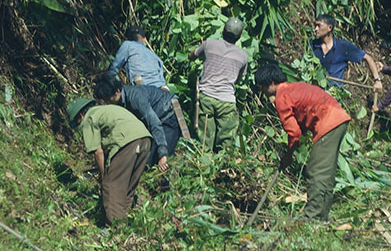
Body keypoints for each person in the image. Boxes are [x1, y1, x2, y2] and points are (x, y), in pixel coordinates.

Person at [254, 64, 351, 221]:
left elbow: (294, 132)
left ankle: (311, 218)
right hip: (338, 118)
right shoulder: (294, 87)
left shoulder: (281, 97)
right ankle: (322, 217)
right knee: (325, 173)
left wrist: (289, 154)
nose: (263, 92)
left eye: (262, 87)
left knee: (316, 171)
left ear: (271, 83)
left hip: (329, 122)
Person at [66, 98, 152, 225]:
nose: (78, 127)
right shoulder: (104, 110)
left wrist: (103, 176)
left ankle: (115, 227)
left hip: (127, 142)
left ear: (80, 115)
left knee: (111, 185)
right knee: (128, 187)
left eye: (75, 124)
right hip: (145, 139)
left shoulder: (88, 119)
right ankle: (127, 223)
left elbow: (98, 152)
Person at [94, 76, 182, 172]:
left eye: (109, 98)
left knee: (158, 162)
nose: (108, 102)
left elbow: (154, 123)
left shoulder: (136, 99)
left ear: (117, 91)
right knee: (143, 161)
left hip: (167, 118)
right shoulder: (120, 102)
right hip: (152, 123)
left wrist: (163, 154)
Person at [189, 17, 248, 152]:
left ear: (222, 31)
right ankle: (222, 168)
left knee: (204, 140)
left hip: (206, 98)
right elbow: (238, 80)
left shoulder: (209, 44)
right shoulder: (243, 56)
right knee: (226, 144)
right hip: (227, 102)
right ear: (239, 37)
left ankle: (203, 167)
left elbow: (192, 55)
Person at [310, 14, 382, 92]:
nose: (315, 29)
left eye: (319, 25)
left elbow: (368, 58)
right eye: (315, 25)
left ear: (329, 28)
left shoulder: (343, 47)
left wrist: (377, 80)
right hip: (314, 93)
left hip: (334, 94)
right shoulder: (311, 45)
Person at [107, 25, 168, 89]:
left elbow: (114, 68)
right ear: (145, 39)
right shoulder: (154, 56)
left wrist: (104, 80)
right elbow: (161, 78)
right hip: (163, 90)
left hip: (144, 88)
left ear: (127, 38)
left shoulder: (127, 45)